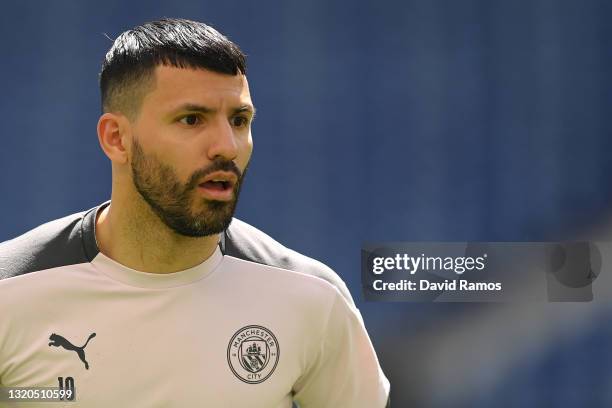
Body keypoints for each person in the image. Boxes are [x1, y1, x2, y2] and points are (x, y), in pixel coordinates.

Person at [0, 18, 390, 407]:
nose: (226, 146)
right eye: (192, 120)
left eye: (239, 121)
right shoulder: (10, 291)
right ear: (117, 138)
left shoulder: (312, 297)